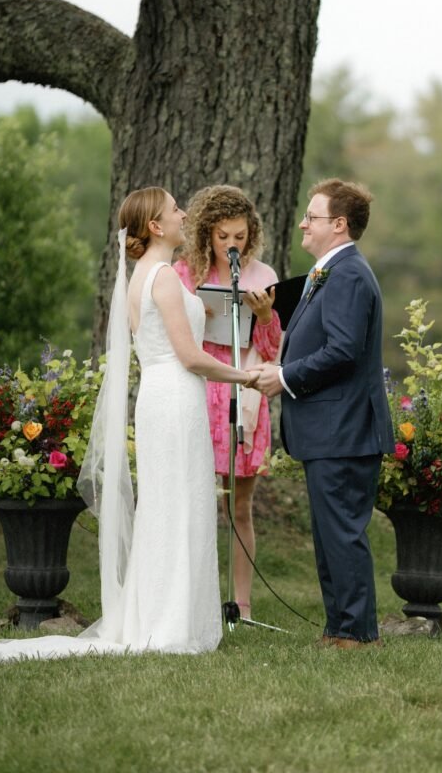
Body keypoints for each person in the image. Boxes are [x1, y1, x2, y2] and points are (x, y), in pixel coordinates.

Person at [0, 187, 257, 662]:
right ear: (155, 226)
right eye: (174, 210)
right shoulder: (164, 276)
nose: (184, 214)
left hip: (160, 398)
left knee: (169, 505)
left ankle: (167, 615)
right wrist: (246, 375)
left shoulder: (142, 276)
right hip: (174, 398)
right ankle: (171, 623)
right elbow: (189, 356)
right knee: (178, 502)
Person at [254, 179, 394, 650]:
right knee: (330, 534)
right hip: (331, 430)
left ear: (338, 224)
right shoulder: (328, 272)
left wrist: (285, 377)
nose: (302, 223)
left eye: (311, 216)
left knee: (342, 534)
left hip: (346, 428)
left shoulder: (349, 274)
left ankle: (357, 633)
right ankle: (339, 629)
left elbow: (344, 351)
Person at [174, 185, 282, 621]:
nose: (231, 245)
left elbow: (273, 351)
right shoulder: (185, 273)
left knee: (239, 505)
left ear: (250, 233)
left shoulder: (263, 274)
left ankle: (242, 603)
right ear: (206, 234)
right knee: (195, 500)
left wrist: (265, 317)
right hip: (201, 387)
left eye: (239, 236)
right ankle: (192, 600)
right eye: (223, 237)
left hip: (244, 392)